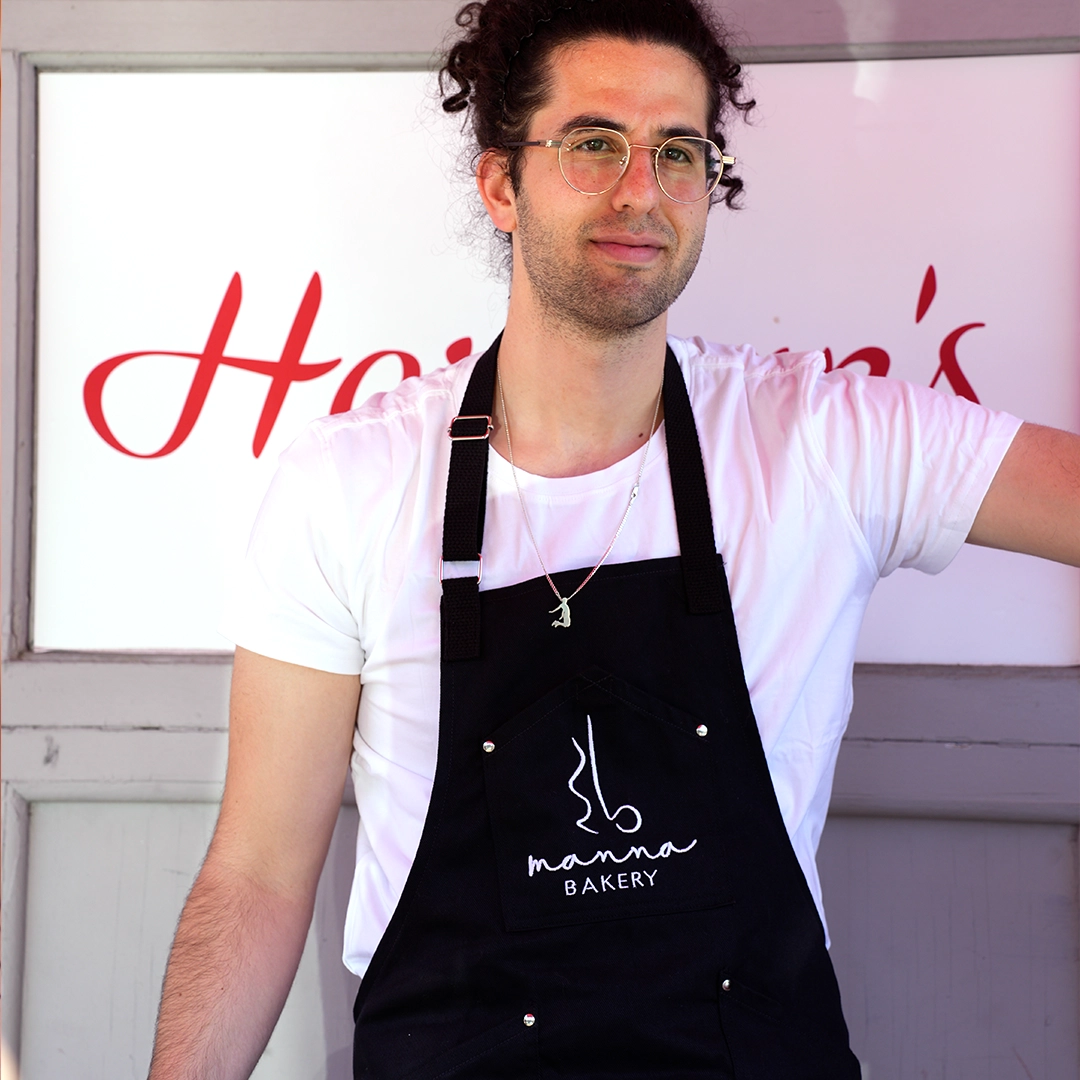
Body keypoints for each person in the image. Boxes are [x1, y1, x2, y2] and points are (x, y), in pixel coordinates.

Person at [147, 0, 1080, 1076]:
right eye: (594, 144)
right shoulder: (348, 483)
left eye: (679, 152)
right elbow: (257, 874)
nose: (642, 188)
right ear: (502, 182)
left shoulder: (823, 440)